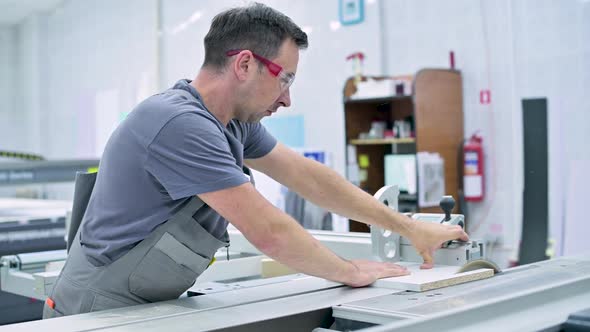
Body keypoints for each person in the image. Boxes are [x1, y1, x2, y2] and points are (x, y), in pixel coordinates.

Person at [43, 3, 468, 318]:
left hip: (144, 304)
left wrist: (410, 227)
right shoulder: (177, 122)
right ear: (245, 64)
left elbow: (311, 179)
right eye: (285, 78)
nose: (287, 97)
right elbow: (269, 232)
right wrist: (348, 272)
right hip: (95, 311)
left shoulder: (230, 123)